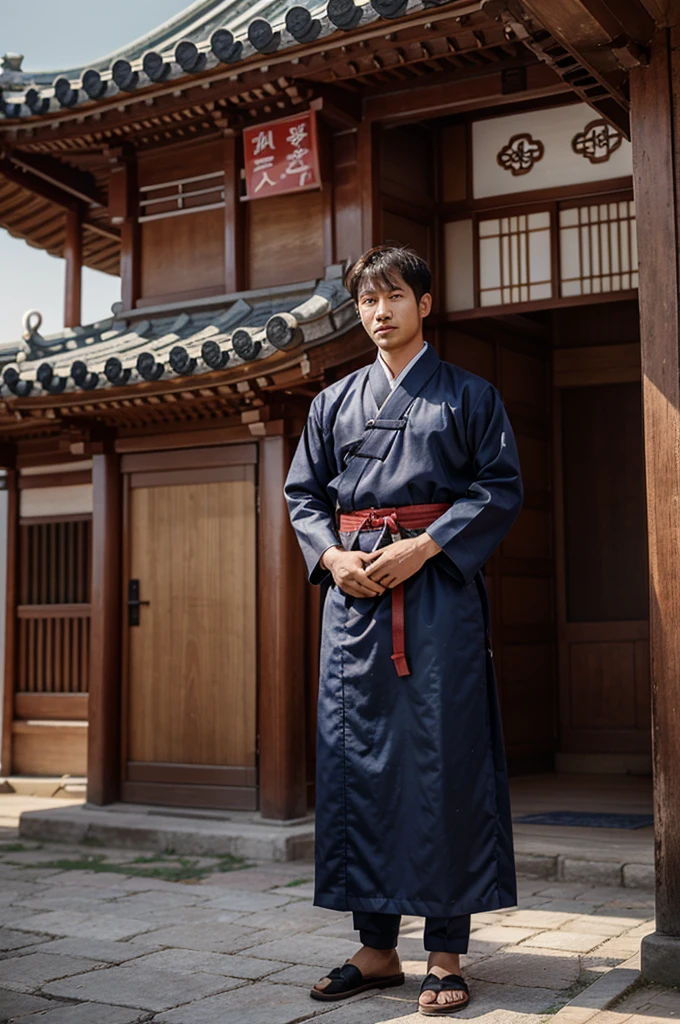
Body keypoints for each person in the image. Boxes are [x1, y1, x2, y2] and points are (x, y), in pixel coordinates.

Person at [284, 245, 523, 1016]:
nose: (378, 312)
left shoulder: (470, 397)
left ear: (425, 304)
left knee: (443, 761)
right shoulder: (332, 403)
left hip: (436, 599)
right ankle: (377, 947)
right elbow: (303, 495)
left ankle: (445, 952)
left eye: (392, 297)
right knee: (361, 763)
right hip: (354, 605)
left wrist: (426, 547)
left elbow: (499, 489)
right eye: (365, 301)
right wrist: (330, 557)